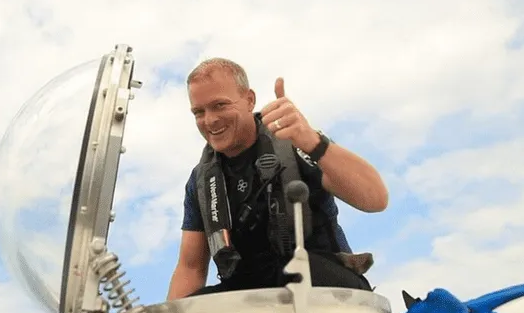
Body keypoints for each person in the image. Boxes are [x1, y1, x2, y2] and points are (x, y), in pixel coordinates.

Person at [166, 58, 388, 300]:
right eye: (199, 112)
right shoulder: (199, 181)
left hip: (321, 283)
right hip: (248, 295)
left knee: (305, 273)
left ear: (249, 99)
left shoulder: (297, 144)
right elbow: (191, 268)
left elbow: (376, 199)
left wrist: (312, 142)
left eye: (220, 105)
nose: (209, 120)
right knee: (196, 307)